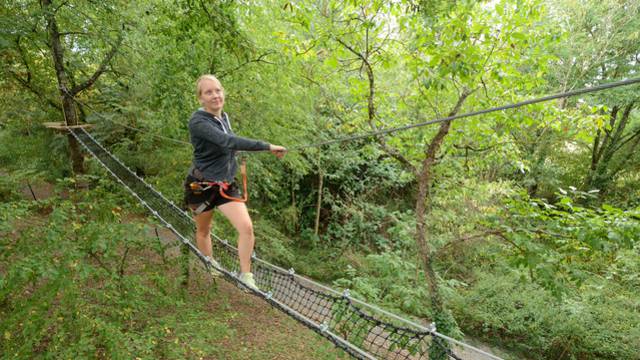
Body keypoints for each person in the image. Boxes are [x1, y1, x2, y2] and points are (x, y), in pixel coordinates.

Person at [184, 74, 286, 291]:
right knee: (204, 229)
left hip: (225, 185)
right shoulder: (197, 121)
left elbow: (229, 144)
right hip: (200, 186)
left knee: (246, 227)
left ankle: (246, 276)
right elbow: (226, 141)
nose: (215, 95)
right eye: (209, 92)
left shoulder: (224, 118)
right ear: (200, 98)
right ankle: (209, 262)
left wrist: (247, 150)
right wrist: (267, 146)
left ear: (223, 93)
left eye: (218, 90)